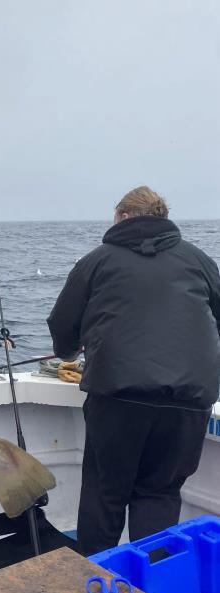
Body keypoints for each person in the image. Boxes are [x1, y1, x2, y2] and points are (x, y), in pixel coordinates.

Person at [47, 186, 220, 557]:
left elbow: (62, 321)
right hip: (189, 400)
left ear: (124, 216)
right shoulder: (200, 260)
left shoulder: (97, 260)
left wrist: (67, 351)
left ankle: (96, 583)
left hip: (118, 396)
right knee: (159, 493)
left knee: (105, 494)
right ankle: (153, 590)